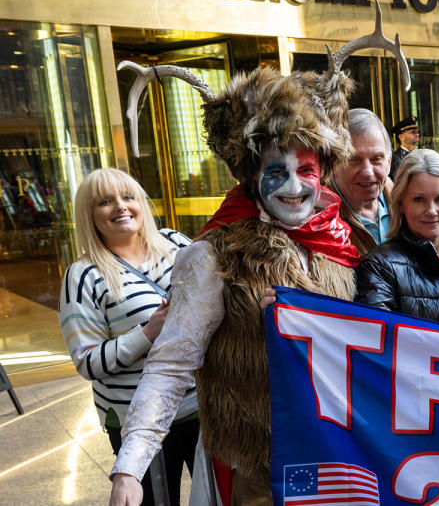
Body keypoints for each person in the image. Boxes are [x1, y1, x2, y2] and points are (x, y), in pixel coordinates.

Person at [109, 64, 370, 504]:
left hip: (340, 456)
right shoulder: (214, 253)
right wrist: (129, 468)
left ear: (322, 171)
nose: (292, 186)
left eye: (304, 170)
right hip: (258, 469)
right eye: (276, 171)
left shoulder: (343, 240)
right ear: (251, 174)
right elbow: (172, 364)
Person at [59, 168, 198, 506]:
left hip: (202, 409)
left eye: (127, 197)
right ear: (89, 216)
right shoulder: (84, 275)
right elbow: (87, 361)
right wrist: (149, 332)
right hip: (137, 423)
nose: (120, 207)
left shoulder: (176, 243)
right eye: (104, 202)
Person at [355, 149, 439, 322]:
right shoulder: (378, 268)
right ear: (401, 203)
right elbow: (380, 340)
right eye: (419, 199)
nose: (431, 211)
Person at [331, 108, 392, 255]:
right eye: (353, 159)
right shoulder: (317, 223)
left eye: (376, 159)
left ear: (388, 162)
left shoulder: (408, 205)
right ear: (333, 164)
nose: (367, 172)